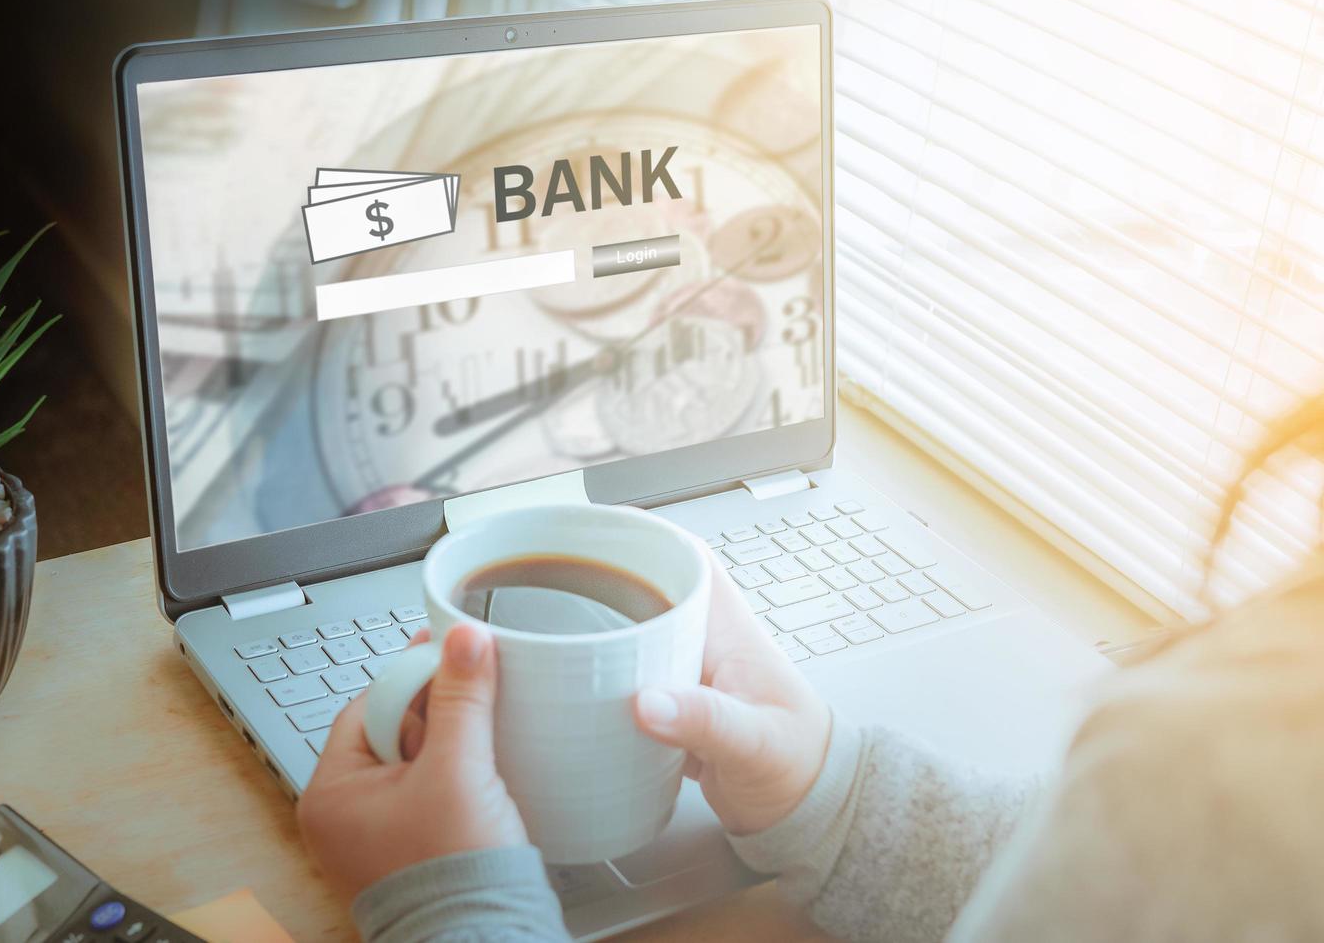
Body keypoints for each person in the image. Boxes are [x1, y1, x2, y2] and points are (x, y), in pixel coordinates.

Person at [298, 396, 1324, 942]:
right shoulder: (1223, 797)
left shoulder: (1236, 769)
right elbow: (1133, 901)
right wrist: (834, 793)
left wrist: (446, 903)